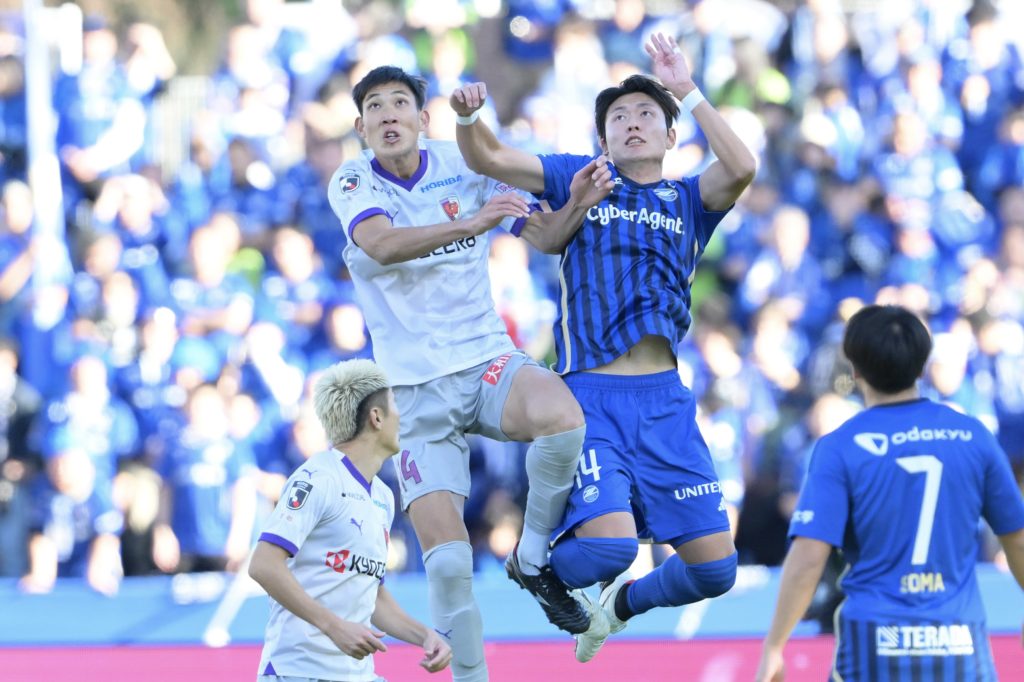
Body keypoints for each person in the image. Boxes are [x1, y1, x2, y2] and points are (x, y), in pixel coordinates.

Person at [451, 32, 757, 662]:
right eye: (618, 117)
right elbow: (489, 157)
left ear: (671, 135)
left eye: (647, 113)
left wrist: (685, 89)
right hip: (590, 396)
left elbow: (743, 167)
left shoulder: (690, 199)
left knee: (715, 569)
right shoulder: (580, 176)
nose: (632, 122)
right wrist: (467, 118)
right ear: (602, 139)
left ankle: (620, 608)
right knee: (610, 549)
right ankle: (533, 564)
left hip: (666, 402)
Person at [326, 66, 613, 681]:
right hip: (411, 393)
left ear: (423, 118)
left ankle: (531, 556)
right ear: (360, 127)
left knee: (563, 418)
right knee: (450, 565)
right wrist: (471, 224)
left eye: (399, 102)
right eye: (374, 107)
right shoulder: (352, 181)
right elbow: (382, 244)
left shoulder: (463, 162)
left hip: (484, 359)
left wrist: (577, 206)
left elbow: (545, 235)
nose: (388, 114)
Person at [756, 304, 1024, 682]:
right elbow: (1018, 539)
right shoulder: (973, 436)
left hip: (874, 651)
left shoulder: (839, 447)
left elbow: (808, 558)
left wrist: (775, 646)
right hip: (960, 651)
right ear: (922, 366)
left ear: (854, 369)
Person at [249, 358, 452, 681]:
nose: (403, 416)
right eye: (396, 406)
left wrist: (424, 635)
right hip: (298, 672)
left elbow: (373, 596)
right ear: (376, 417)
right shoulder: (318, 478)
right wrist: (334, 626)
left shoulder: (382, 496)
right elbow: (263, 564)